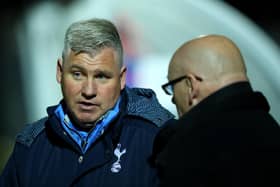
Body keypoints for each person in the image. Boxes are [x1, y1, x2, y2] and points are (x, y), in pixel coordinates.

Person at [0, 18, 174, 187]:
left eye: (101, 76)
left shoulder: (157, 138)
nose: (88, 91)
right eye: (77, 74)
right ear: (60, 72)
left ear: (121, 79)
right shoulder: (31, 144)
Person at [151, 34, 280, 187]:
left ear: (191, 85)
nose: (173, 98)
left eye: (172, 87)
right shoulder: (271, 129)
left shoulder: (187, 148)